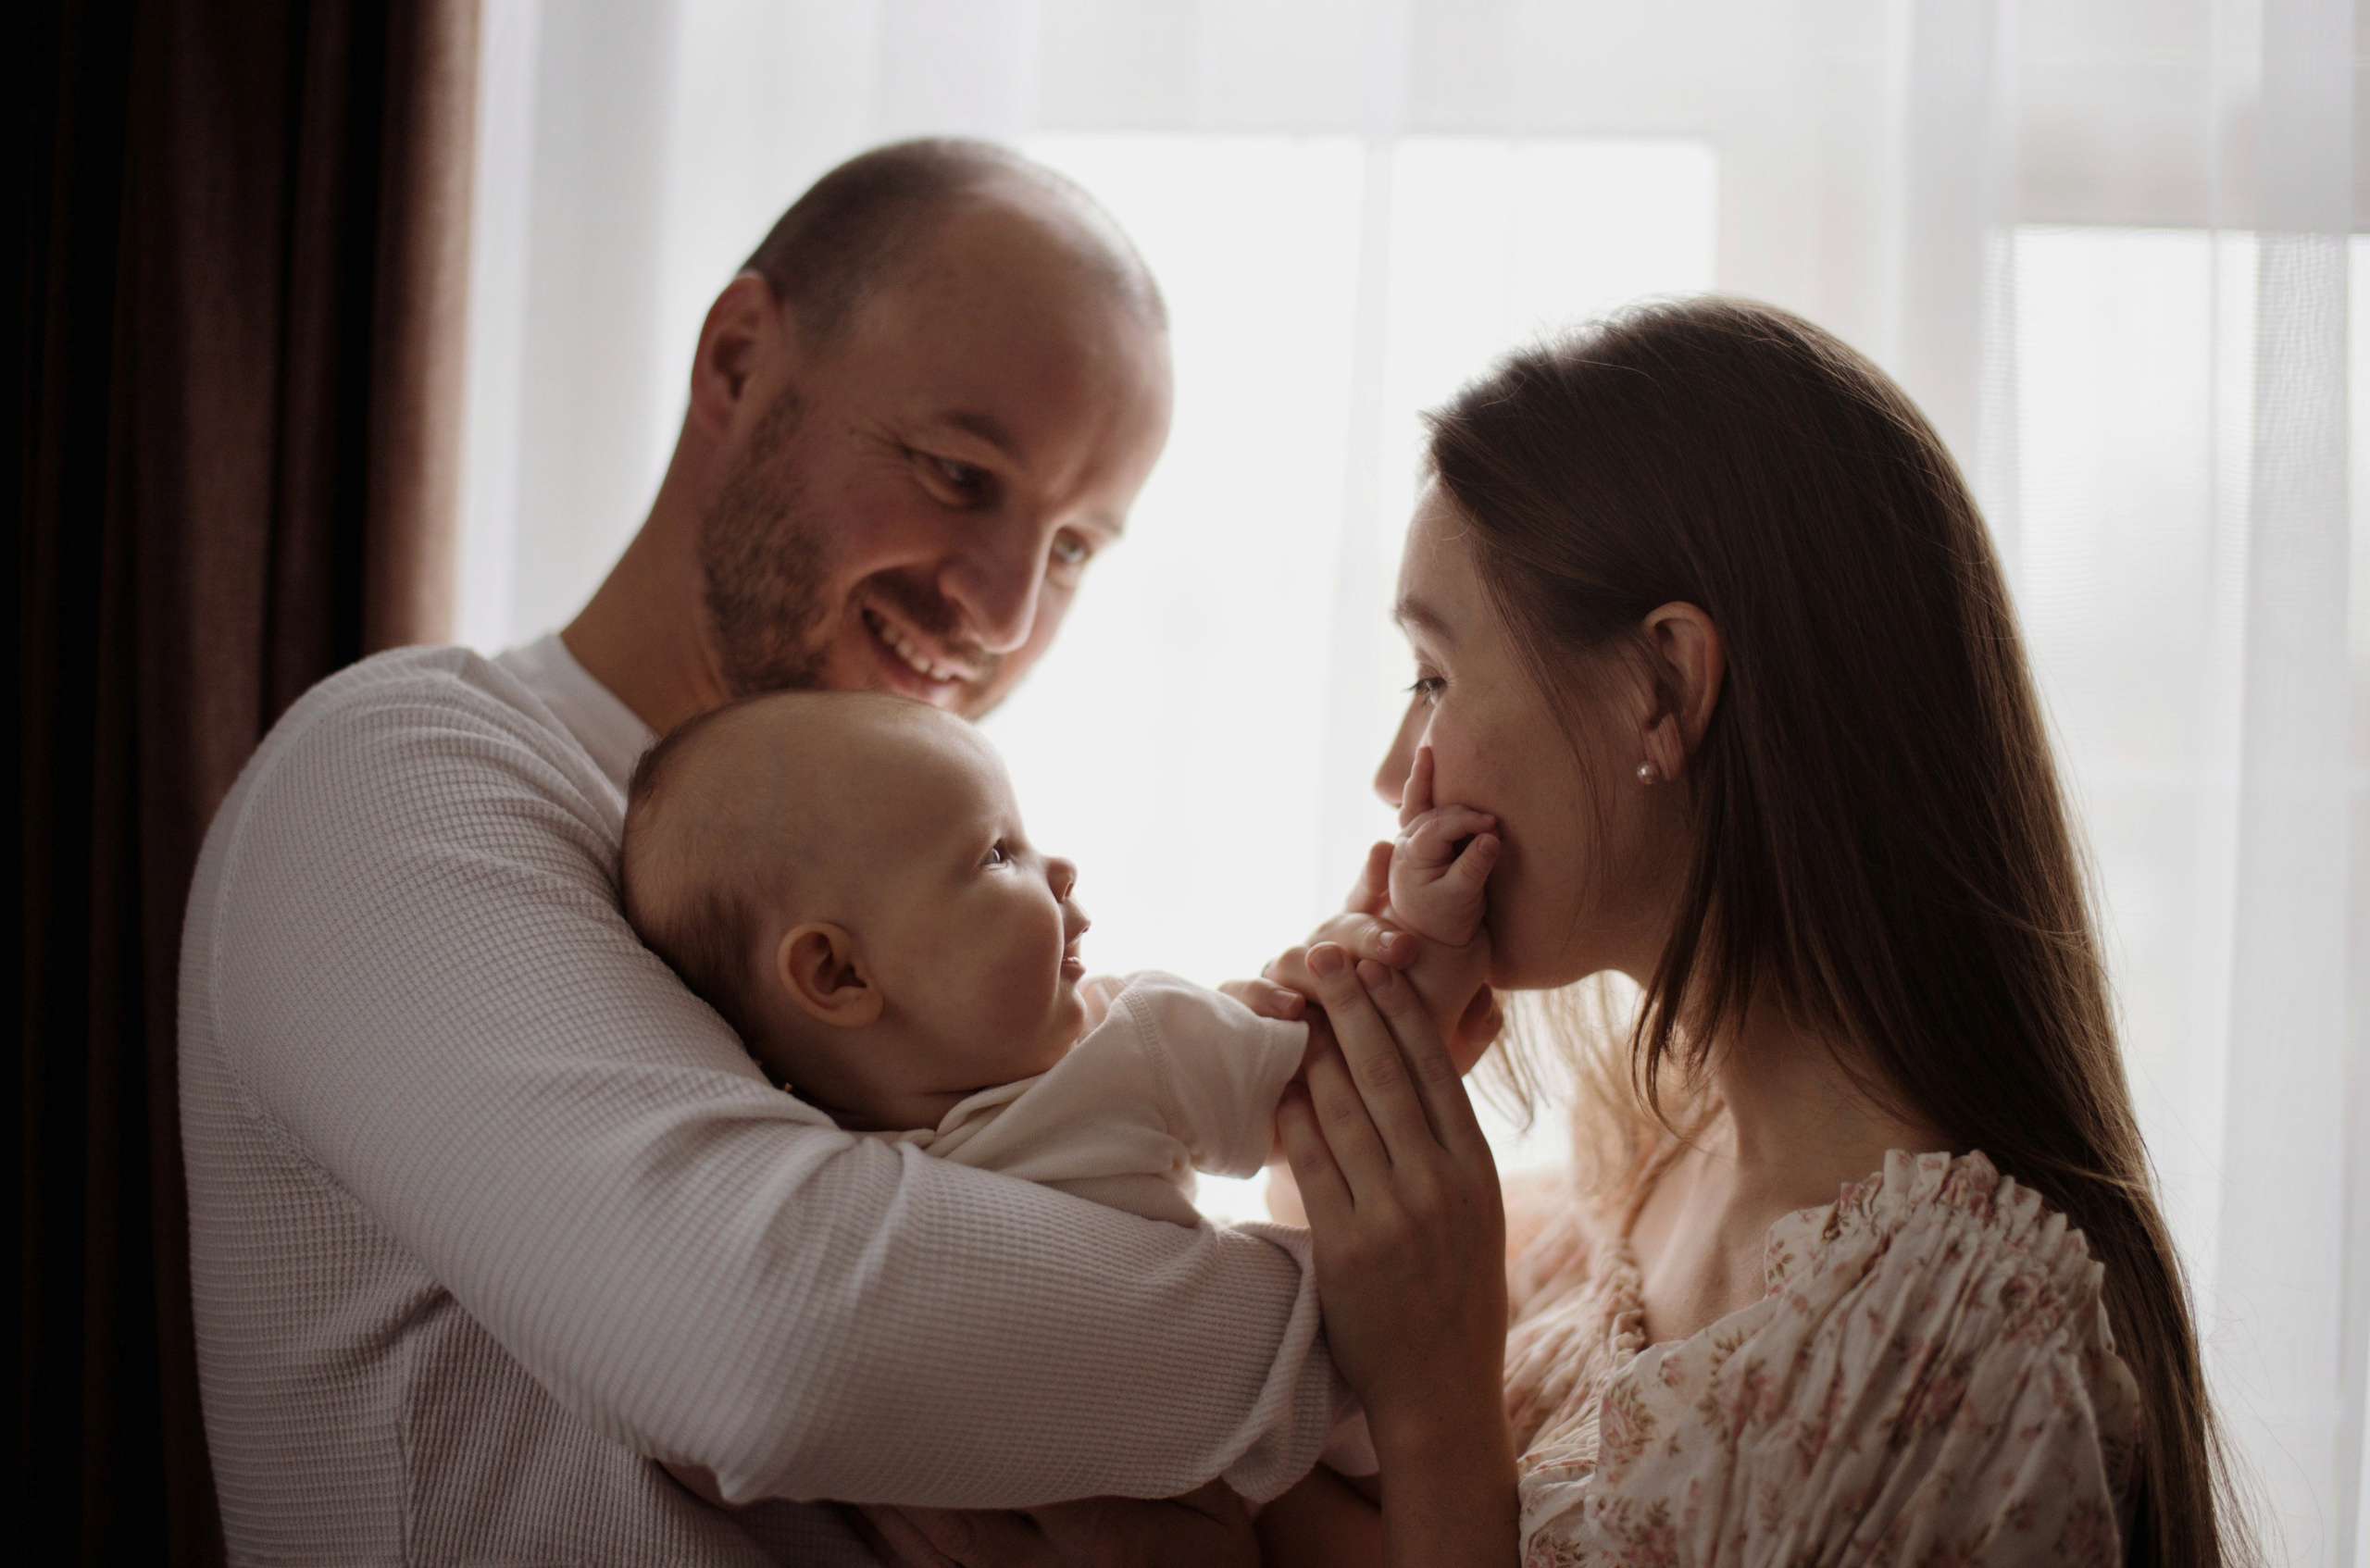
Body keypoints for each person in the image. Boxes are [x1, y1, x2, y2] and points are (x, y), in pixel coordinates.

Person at [177, 138, 1430, 1565]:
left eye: (1074, 547)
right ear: (734, 362)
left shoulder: (928, 910)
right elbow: (776, 1336)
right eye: (962, 474)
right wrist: (1378, 1332)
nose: (1010, 610)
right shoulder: (403, 773)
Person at [1225, 298, 2248, 1568]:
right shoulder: (1620, 1182)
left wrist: (1437, 1406)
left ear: (1663, 687)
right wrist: (1341, 1121)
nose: (1397, 769)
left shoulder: (1962, 1337)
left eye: (1435, 677)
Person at [612, 688, 1498, 1235]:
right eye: (998, 854)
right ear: (840, 977)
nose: (1060, 867)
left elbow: (1356, 1071)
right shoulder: (797, 1175)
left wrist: (1426, 935)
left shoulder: (1137, 1046)